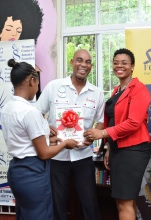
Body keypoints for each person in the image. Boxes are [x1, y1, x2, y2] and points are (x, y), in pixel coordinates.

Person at [0, 59, 78, 220]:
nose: (37, 88)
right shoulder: (30, 112)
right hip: (32, 172)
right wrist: (65, 143)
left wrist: (51, 139)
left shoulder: (7, 108)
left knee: (24, 214)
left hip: (16, 170)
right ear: (32, 81)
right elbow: (43, 153)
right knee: (40, 215)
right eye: (37, 83)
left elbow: (25, 139)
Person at [36, 49, 104, 220]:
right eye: (79, 60)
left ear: (91, 66)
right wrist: (46, 128)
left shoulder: (97, 93)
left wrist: (94, 135)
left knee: (89, 202)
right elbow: (36, 113)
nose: (83, 65)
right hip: (57, 156)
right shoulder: (54, 86)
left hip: (83, 156)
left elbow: (101, 121)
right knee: (58, 202)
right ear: (72, 62)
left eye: (88, 62)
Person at [84, 48, 151, 220]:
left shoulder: (139, 89)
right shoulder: (117, 90)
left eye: (124, 63)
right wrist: (108, 148)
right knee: (125, 201)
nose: (119, 66)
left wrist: (102, 133)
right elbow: (115, 119)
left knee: (124, 202)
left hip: (133, 150)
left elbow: (133, 123)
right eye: (116, 63)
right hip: (119, 149)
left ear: (132, 66)